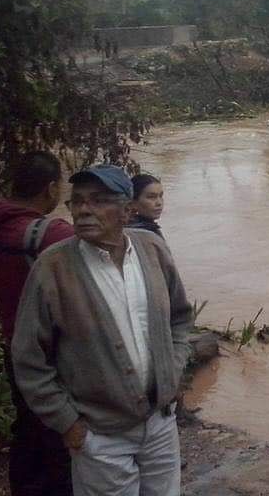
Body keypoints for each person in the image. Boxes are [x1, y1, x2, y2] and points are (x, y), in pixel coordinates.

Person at [12, 164, 194, 496]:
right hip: (99, 433)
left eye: (98, 201)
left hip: (160, 423)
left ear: (127, 210)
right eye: (77, 201)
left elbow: (180, 318)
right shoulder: (52, 268)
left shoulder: (152, 250)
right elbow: (28, 358)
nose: (84, 210)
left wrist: (174, 370)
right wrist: (67, 422)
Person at [0, 151, 76, 496]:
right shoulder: (52, 234)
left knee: (29, 431)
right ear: (51, 188)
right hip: (55, 355)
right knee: (64, 440)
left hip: (15, 349)